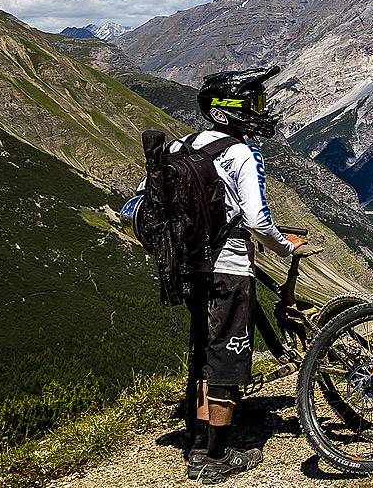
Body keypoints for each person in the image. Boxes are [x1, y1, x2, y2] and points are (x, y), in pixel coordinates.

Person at [134, 66, 321, 483]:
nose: (261, 109)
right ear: (228, 109)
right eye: (254, 102)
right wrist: (287, 246)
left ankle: (198, 440)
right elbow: (255, 219)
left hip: (189, 268)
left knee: (204, 348)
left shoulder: (182, 145)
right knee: (228, 354)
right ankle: (216, 456)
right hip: (230, 267)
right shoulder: (239, 152)